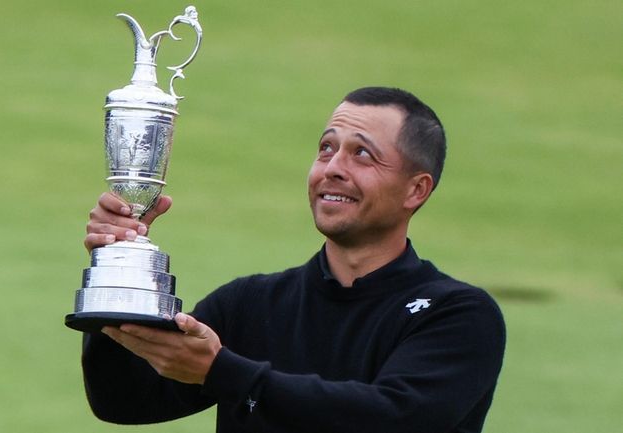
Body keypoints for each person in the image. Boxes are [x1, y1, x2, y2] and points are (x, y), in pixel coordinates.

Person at [80, 87, 506, 433]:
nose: (333, 168)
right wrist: (114, 269)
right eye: (326, 148)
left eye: (362, 154)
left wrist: (223, 372)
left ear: (416, 190)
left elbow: (394, 418)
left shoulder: (458, 315)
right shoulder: (251, 303)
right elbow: (124, 401)